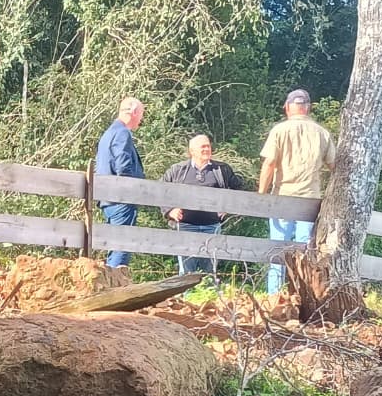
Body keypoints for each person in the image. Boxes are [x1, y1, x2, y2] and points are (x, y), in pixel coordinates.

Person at [258, 89, 336, 295]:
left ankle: (274, 295)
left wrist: (261, 193)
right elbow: (335, 166)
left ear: (287, 107)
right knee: (304, 249)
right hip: (309, 200)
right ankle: (301, 294)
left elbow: (270, 163)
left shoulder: (280, 131)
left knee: (278, 248)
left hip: (283, 197)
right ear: (308, 108)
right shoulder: (322, 133)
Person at [159, 134, 245, 282]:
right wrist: (170, 210)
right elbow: (160, 191)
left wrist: (227, 207)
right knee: (186, 270)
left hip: (212, 226)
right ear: (192, 151)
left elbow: (239, 189)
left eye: (208, 146)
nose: (207, 149)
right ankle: (186, 300)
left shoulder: (222, 170)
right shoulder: (177, 170)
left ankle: (209, 299)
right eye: (202, 147)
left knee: (210, 270)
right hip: (185, 226)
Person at [95, 96, 146, 269]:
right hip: (121, 199)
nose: (141, 119)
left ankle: (111, 283)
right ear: (134, 113)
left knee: (115, 244)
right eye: (141, 114)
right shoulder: (122, 133)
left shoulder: (110, 133)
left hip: (108, 199)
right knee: (122, 245)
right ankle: (115, 288)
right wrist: (131, 190)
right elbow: (123, 166)